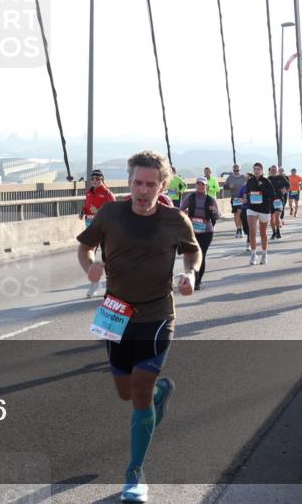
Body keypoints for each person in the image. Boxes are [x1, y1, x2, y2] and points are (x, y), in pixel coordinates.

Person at [76, 150, 200, 503]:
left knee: (139, 392)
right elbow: (85, 248)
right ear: (129, 182)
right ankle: (160, 394)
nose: (143, 191)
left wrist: (190, 273)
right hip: (115, 313)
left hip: (157, 315)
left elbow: (192, 251)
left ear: (162, 185)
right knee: (126, 392)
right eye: (137, 183)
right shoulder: (110, 214)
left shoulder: (175, 219)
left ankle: (134, 472)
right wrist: (90, 268)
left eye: (150, 184)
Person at [79, 169, 116, 298]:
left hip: (104, 227)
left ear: (102, 179)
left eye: (97, 179)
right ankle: (94, 282)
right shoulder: (89, 192)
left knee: (107, 255)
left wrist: (98, 211)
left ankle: (111, 285)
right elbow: (87, 205)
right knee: (88, 252)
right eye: (92, 179)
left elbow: (113, 212)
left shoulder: (107, 193)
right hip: (90, 225)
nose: (94, 181)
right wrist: (83, 211)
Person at [179, 178, 221, 290]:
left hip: (206, 231)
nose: (200, 186)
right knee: (190, 254)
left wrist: (214, 211)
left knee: (201, 254)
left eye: (203, 185)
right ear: (196, 185)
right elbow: (180, 210)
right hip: (191, 230)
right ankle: (191, 276)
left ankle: (197, 280)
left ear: (206, 187)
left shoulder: (211, 199)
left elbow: (217, 216)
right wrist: (184, 213)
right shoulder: (190, 197)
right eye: (198, 184)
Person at [244, 163, 276, 265]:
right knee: (252, 231)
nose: (256, 171)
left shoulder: (266, 181)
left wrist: (262, 186)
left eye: (258, 169)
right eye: (255, 169)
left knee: (263, 233)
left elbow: (272, 194)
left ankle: (264, 254)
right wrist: (245, 198)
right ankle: (253, 254)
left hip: (264, 209)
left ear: (262, 170)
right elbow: (247, 193)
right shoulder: (250, 181)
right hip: (252, 208)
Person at [224, 164, 247, 238]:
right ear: (233, 170)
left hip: (242, 198)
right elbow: (224, 186)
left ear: (240, 170)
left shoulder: (244, 177)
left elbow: (249, 185)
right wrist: (229, 186)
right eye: (235, 170)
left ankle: (241, 229)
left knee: (240, 213)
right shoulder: (230, 178)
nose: (236, 172)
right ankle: (238, 229)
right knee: (236, 214)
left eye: (237, 170)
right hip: (234, 198)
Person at [267, 165, 289, 240]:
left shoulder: (281, 177)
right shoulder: (268, 179)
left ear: (277, 171)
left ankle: (278, 231)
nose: (273, 171)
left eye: (275, 170)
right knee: (272, 217)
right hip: (270, 200)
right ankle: (274, 232)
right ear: (270, 171)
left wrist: (284, 188)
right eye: (272, 170)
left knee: (277, 216)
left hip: (279, 199)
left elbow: (288, 184)